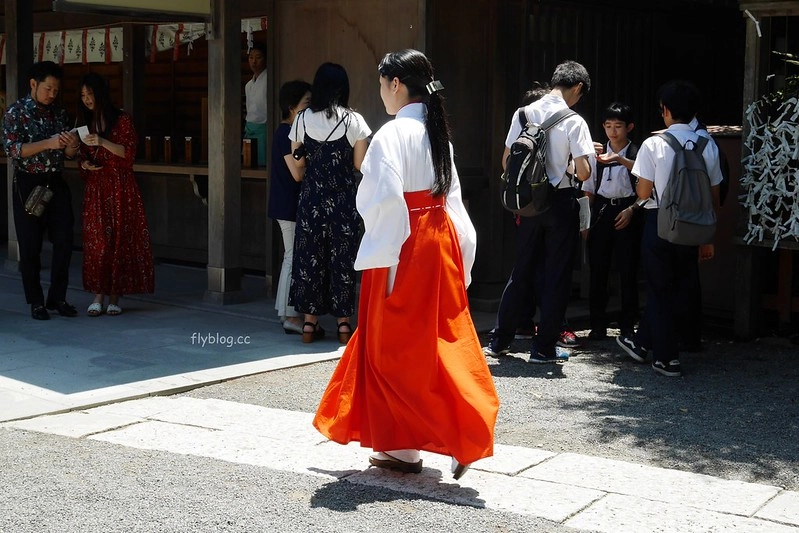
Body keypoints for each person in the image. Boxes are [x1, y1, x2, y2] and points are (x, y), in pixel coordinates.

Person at [313, 48, 498, 480]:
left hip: (402, 245)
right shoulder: (438, 136)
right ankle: (413, 444)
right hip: (440, 242)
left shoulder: (391, 136)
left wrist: (382, 255)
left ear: (396, 84)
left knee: (390, 351)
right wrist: (462, 254)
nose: (381, 93)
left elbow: (383, 200)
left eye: (382, 84)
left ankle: (440, 437)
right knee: (439, 339)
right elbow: (452, 202)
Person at [485, 60, 595, 363]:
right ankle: (544, 347)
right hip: (559, 202)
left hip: (529, 203)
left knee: (521, 269)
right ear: (578, 88)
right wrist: (571, 164)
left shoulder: (523, 113)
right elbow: (584, 172)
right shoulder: (575, 121)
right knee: (556, 274)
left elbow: (507, 161)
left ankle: (500, 341)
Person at [615, 81, 722, 377]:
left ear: (666, 110)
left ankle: (666, 358)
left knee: (659, 289)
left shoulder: (654, 144)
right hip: (695, 224)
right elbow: (714, 194)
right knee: (678, 286)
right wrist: (708, 235)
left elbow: (645, 192)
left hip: (659, 221)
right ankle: (641, 343)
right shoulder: (707, 145)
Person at [289, 63, 371, 344]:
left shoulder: (300, 120)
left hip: (311, 199)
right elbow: (360, 164)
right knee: (342, 259)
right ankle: (344, 325)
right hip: (344, 202)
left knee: (310, 258)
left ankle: (309, 325)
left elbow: (298, 166)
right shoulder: (355, 121)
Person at [3, 61, 80, 320]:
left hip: (55, 181)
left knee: (64, 241)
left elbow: (69, 153)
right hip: (28, 182)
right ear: (33, 85)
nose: (52, 95)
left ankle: (57, 297)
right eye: (48, 89)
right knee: (30, 244)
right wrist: (48, 143)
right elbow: (14, 150)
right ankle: (35, 301)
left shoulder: (58, 112)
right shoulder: (16, 112)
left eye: (56, 90)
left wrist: (71, 146)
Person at [75, 73, 154, 316]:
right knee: (98, 242)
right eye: (83, 96)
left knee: (119, 239)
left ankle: (114, 296)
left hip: (120, 186)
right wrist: (84, 165)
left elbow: (128, 153)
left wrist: (102, 141)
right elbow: (80, 155)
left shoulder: (121, 119)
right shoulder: (83, 121)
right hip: (96, 187)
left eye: (90, 94)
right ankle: (98, 293)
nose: (87, 99)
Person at [582, 102, 641, 341]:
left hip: (629, 209)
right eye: (608, 126)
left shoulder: (637, 152)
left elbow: (646, 182)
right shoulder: (595, 154)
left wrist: (632, 211)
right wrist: (585, 222)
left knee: (628, 270)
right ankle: (597, 324)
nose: (613, 131)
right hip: (603, 211)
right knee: (598, 270)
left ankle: (628, 324)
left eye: (618, 126)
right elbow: (588, 189)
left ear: (629, 127)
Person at [268, 80, 311, 334]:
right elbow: (297, 174)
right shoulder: (286, 134)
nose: (309, 108)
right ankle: (289, 314)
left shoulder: (287, 133)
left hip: (287, 203)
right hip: (288, 204)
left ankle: (285, 311)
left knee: (291, 256)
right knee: (292, 257)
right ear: (291, 107)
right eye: (306, 103)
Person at [244, 42, 268, 167]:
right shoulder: (248, 85)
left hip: (264, 128)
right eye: (251, 57)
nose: (254, 61)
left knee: (262, 165)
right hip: (250, 127)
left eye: (258, 57)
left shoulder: (269, 80)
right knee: (249, 162)